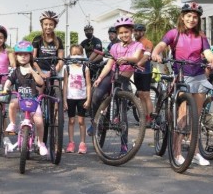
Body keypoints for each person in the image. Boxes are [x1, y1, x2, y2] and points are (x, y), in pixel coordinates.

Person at [151, 2, 213, 166]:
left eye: (195, 17)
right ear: (182, 17)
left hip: (199, 75)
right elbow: (162, 45)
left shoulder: (201, 36)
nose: (192, 19)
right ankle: (176, 152)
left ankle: (195, 152)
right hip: (181, 76)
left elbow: (208, 53)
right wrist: (155, 52)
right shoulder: (174, 33)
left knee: (196, 117)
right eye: (189, 16)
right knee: (183, 117)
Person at [89, 17, 144, 154]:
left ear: (131, 31)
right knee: (96, 95)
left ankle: (124, 146)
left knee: (122, 111)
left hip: (124, 79)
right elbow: (109, 64)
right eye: (121, 33)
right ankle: (95, 122)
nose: (124, 35)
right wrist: (100, 78)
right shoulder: (115, 47)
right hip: (112, 75)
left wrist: (125, 59)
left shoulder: (137, 45)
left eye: (126, 32)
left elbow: (137, 57)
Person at [2, 40, 47, 156]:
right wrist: (6, 88)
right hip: (21, 100)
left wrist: (32, 71)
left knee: (39, 121)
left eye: (26, 55)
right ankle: (12, 123)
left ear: (30, 56)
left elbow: (41, 82)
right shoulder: (15, 71)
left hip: (33, 101)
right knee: (12, 103)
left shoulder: (34, 70)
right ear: (16, 56)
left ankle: (41, 142)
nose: (23, 57)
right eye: (20, 54)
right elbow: (8, 81)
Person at [63, 45, 91, 154]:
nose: (76, 56)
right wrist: (65, 100)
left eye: (78, 54)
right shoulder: (67, 68)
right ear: (70, 55)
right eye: (73, 54)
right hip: (70, 98)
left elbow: (88, 85)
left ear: (82, 55)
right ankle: (71, 143)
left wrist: (88, 99)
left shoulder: (85, 68)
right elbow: (65, 85)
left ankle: (83, 143)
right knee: (71, 120)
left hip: (82, 98)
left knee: (81, 121)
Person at [32, 10, 64, 78]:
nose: (48, 27)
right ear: (42, 25)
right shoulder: (37, 39)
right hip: (39, 71)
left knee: (57, 86)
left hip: (54, 71)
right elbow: (33, 59)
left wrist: (53, 72)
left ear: (54, 26)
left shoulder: (58, 40)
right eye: (46, 24)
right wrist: (41, 74)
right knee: (39, 87)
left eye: (51, 24)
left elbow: (61, 61)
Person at [133, 23, 154, 125]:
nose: (136, 33)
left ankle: (150, 118)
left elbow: (146, 57)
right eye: (135, 31)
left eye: (138, 31)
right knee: (140, 95)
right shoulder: (133, 43)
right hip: (136, 71)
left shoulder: (147, 42)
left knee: (146, 95)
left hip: (145, 71)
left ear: (143, 32)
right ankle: (144, 118)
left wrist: (138, 64)